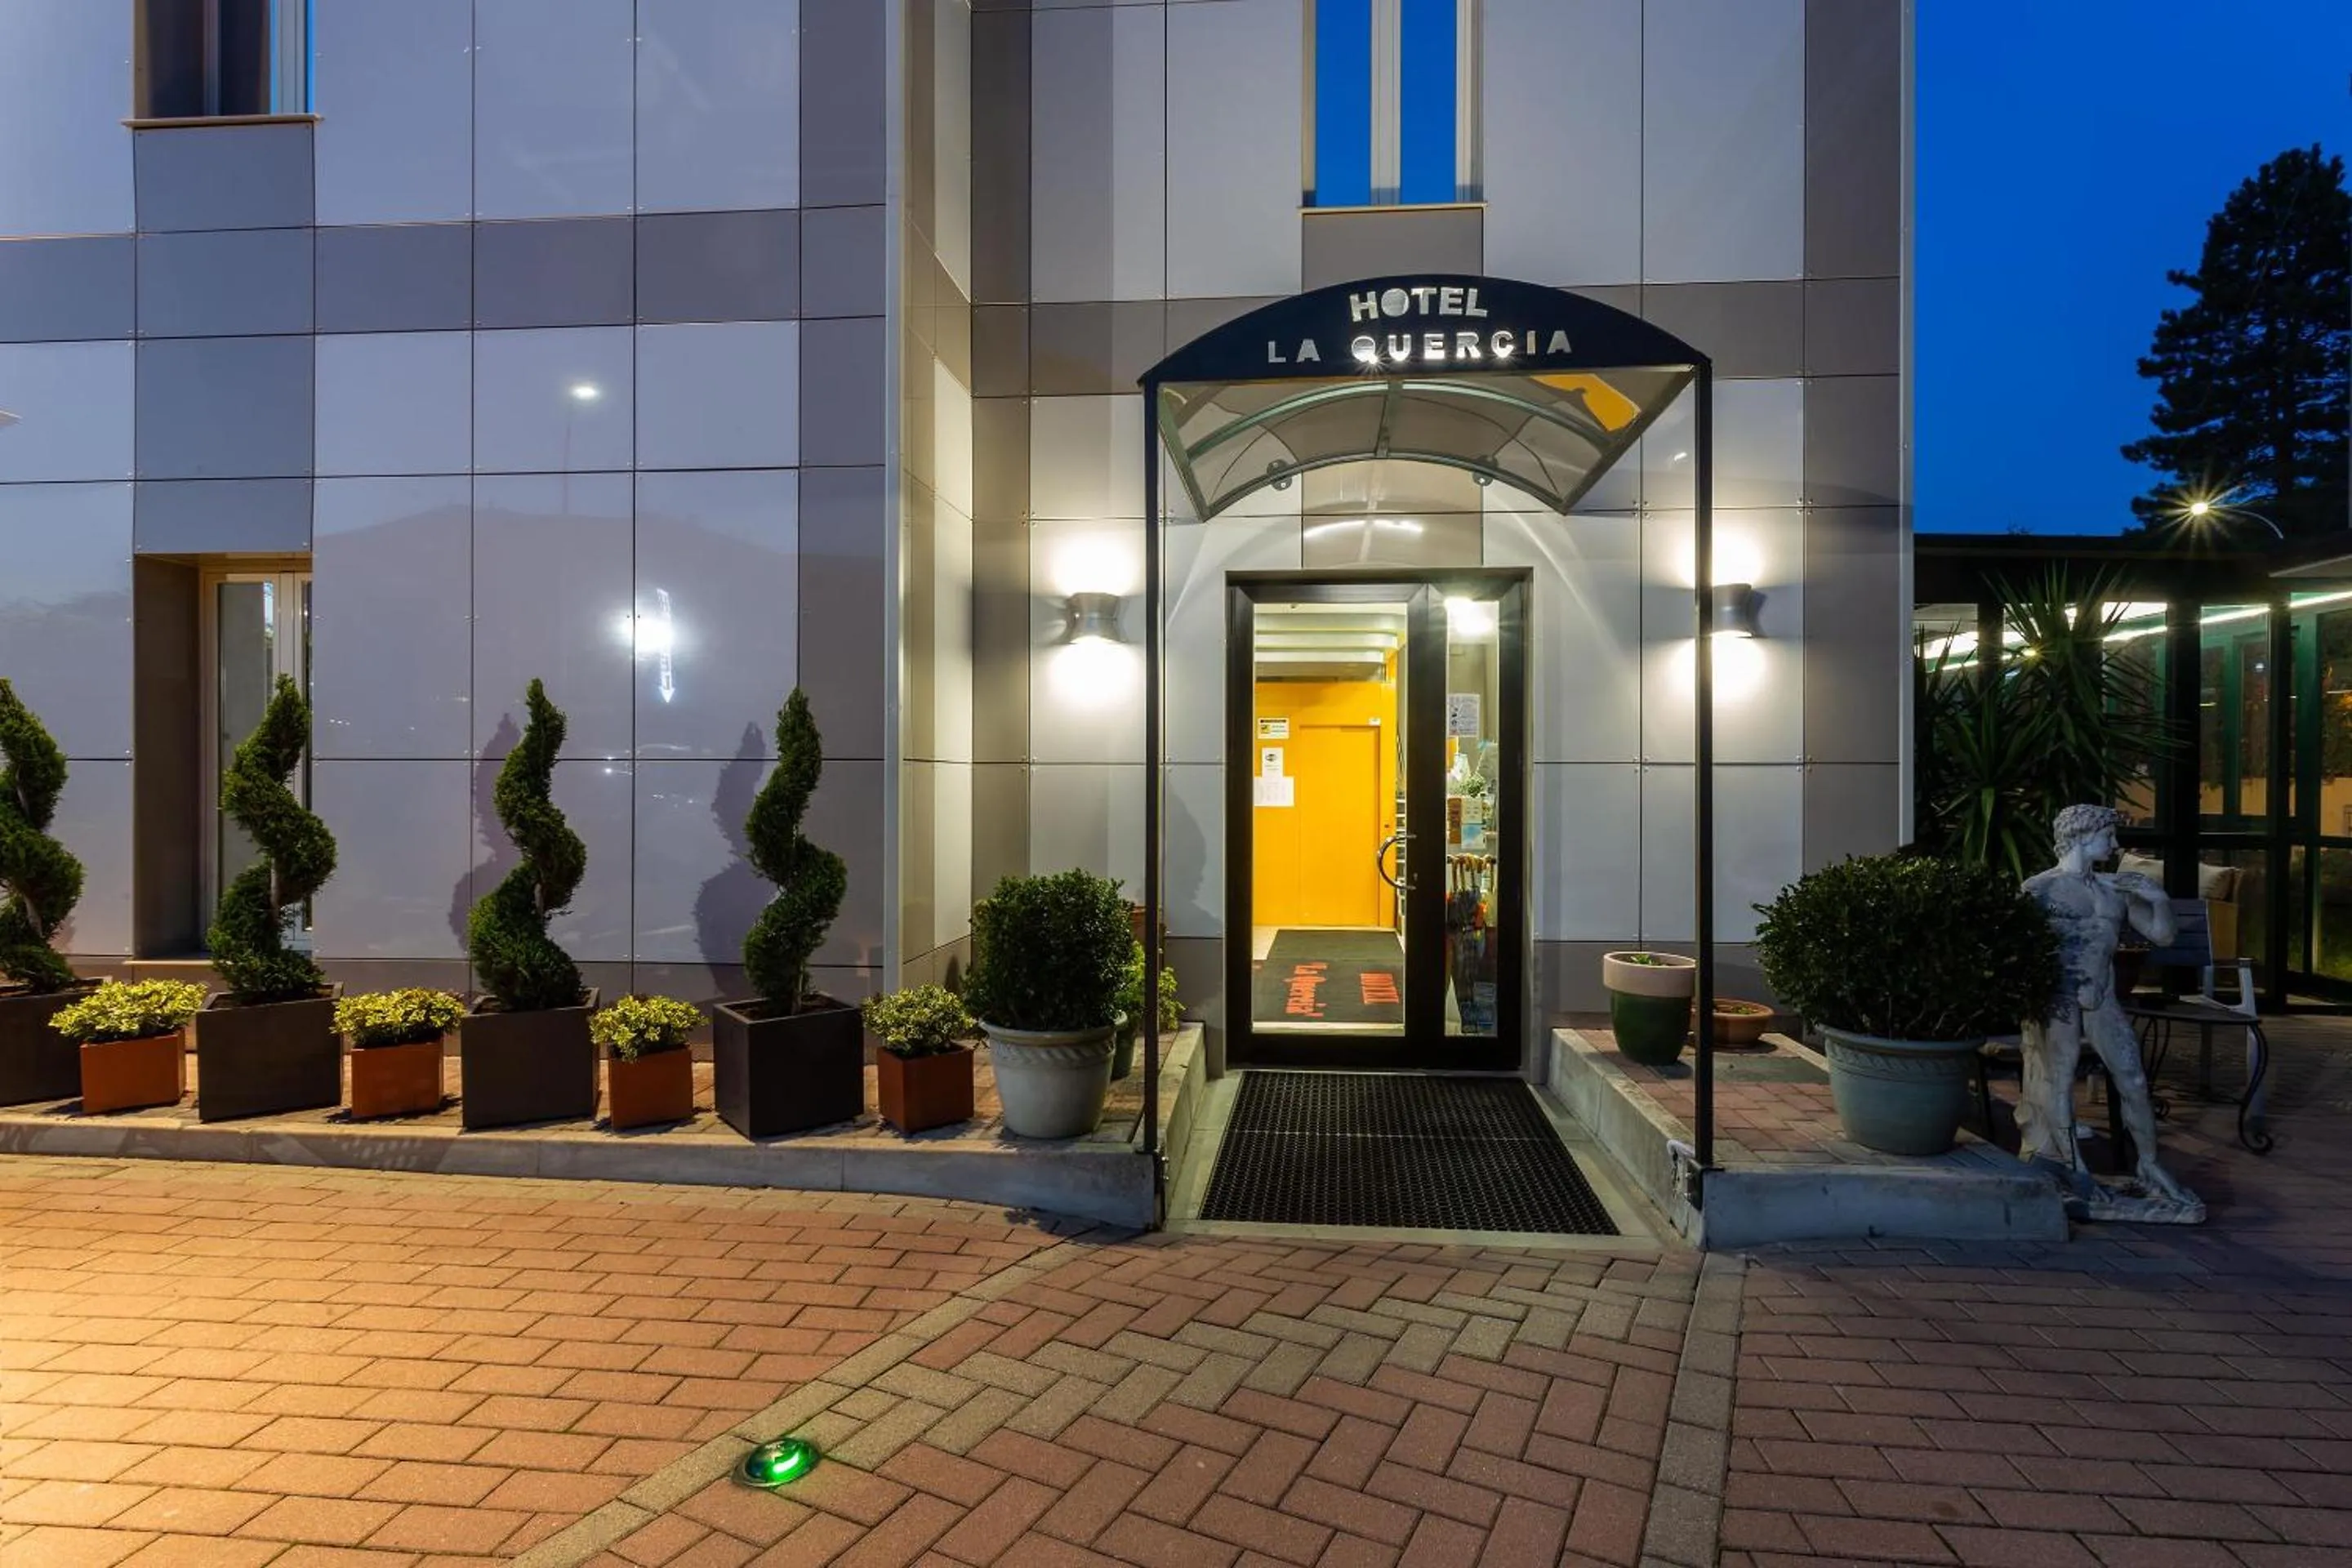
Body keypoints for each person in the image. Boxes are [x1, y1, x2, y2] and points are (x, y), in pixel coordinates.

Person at [2017, 804, 2203, 1222]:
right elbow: (2017, 950)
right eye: (2107, 836)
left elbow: (2163, 936)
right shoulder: (2040, 889)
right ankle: (2073, 1168)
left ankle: (2149, 1164)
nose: (2115, 844)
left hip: (2102, 998)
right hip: (2059, 998)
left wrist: (2159, 900)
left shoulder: (2113, 890)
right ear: (2082, 836)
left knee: (2133, 1077)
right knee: (2059, 1080)